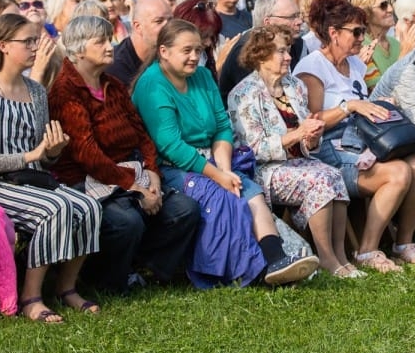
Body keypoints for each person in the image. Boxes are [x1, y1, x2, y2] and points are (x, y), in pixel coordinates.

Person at [132, 19, 318, 287]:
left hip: (214, 158)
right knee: (221, 197)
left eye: (198, 50)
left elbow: (221, 126)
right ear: (164, 51)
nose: (195, 57)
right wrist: (218, 175)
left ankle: (276, 260)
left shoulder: (204, 76)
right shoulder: (153, 85)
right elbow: (171, 146)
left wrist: (226, 169)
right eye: (187, 50)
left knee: (249, 193)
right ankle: (249, 271)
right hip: (171, 167)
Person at [0, 14, 101, 323]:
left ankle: (66, 288)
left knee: (90, 206)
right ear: (4, 46)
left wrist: (51, 152)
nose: (34, 47)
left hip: (34, 178)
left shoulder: (36, 91)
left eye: (35, 40)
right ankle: (31, 296)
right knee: (57, 208)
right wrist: (28, 156)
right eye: (27, 41)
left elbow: (42, 155)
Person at [49, 16, 200, 292]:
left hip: (129, 172)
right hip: (87, 180)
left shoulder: (113, 85)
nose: (111, 46)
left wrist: (152, 174)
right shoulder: (65, 91)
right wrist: (133, 186)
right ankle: (106, 279)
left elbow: (142, 134)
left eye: (110, 39)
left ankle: (144, 266)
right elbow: (87, 154)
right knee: (125, 222)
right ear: (79, 50)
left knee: (184, 210)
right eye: (101, 41)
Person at [294, 0, 415, 266]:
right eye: (356, 31)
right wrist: (350, 106)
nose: (362, 37)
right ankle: (367, 251)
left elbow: (364, 106)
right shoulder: (312, 67)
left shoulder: (356, 64)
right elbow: (312, 120)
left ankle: (403, 242)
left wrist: (377, 105)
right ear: (333, 33)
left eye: (363, 30)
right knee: (399, 172)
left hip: (362, 141)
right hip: (329, 150)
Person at [228, 26, 358, 277]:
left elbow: (306, 139)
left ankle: (341, 256)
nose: (288, 57)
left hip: (298, 162)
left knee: (333, 174)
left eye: (288, 50)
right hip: (263, 171)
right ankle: (327, 259)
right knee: (320, 179)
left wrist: (311, 137)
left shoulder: (295, 86)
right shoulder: (243, 94)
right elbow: (252, 149)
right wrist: (297, 134)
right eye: (280, 51)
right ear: (260, 55)